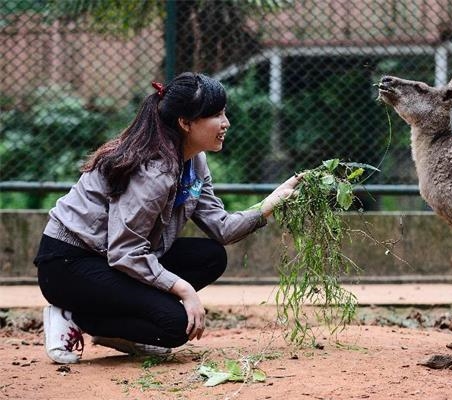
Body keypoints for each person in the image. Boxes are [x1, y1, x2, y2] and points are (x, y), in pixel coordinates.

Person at [34, 72, 301, 364]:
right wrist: (183, 290)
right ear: (185, 123)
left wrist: (269, 204)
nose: (225, 123)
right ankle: (74, 314)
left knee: (210, 256)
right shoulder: (154, 171)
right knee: (174, 326)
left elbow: (221, 228)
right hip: (69, 265)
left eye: (224, 113)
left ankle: (111, 323)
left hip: (112, 258)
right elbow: (125, 252)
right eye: (216, 115)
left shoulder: (194, 160)